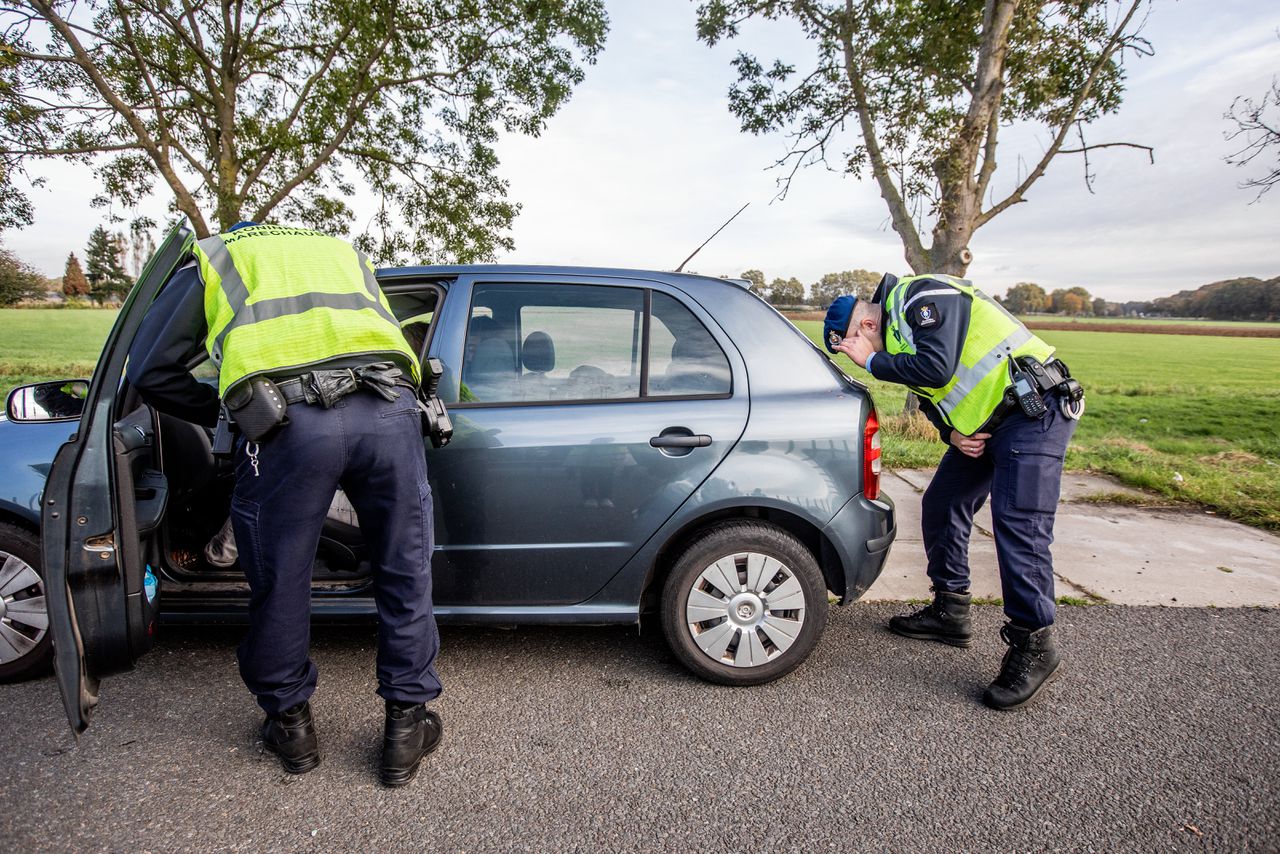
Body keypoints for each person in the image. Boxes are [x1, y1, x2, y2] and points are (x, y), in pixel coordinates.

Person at [126, 222, 443, 785]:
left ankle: (291, 726)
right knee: (405, 569)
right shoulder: (341, 250)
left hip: (287, 424)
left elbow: (151, 371)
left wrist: (232, 414)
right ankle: (405, 729)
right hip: (392, 409)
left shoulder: (215, 255)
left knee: (281, 574)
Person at [824, 273, 1084, 710]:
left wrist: (871, 363)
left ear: (866, 327)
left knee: (1019, 526)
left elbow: (936, 366)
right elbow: (930, 393)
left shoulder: (921, 296)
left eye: (854, 345)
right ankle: (951, 611)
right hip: (986, 427)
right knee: (943, 503)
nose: (861, 355)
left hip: (1033, 411)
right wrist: (951, 434)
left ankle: (1034, 645)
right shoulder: (897, 335)